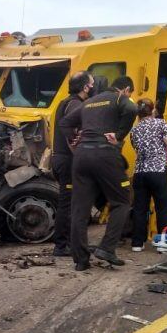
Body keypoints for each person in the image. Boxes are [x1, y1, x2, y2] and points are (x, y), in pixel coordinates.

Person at [59, 76, 138, 270]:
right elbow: (133, 109)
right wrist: (119, 135)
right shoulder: (119, 98)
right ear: (125, 89)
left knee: (80, 209)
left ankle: (81, 260)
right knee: (122, 201)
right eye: (130, 93)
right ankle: (107, 248)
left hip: (81, 157)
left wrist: (75, 138)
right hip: (104, 154)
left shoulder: (88, 103)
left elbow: (65, 123)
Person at [128, 98, 167, 251]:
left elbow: (138, 149)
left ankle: (137, 243)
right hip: (157, 172)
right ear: (153, 110)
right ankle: (163, 242)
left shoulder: (134, 130)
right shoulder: (160, 123)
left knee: (140, 208)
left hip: (140, 172)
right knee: (162, 208)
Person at [51, 72, 95, 257]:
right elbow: (72, 134)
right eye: (92, 83)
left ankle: (68, 243)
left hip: (61, 159)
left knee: (68, 202)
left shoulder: (65, 102)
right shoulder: (76, 105)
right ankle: (62, 246)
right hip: (68, 160)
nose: (94, 86)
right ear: (85, 87)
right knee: (68, 204)